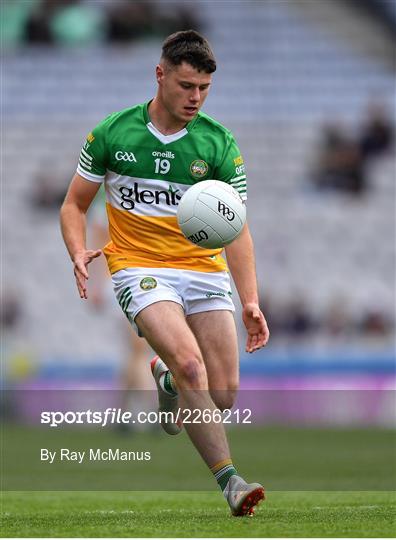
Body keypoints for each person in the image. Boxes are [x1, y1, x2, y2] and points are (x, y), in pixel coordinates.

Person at [60, 30, 270, 516]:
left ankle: (168, 381)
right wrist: (77, 249)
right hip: (139, 267)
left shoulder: (218, 144)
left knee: (222, 394)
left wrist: (251, 300)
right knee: (191, 363)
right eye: (186, 85)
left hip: (203, 270)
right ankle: (231, 483)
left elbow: (236, 231)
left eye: (204, 89)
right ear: (161, 75)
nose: (195, 97)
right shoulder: (112, 133)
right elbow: (73, 204)